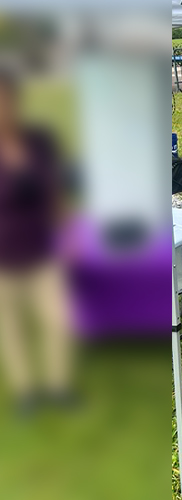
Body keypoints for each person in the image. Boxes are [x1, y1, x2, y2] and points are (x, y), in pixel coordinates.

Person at [0, 68, 74, 417]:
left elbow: (56, 193)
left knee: (57, 320)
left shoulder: (39, 141)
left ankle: (58, 387)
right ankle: (27, 392)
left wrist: (67, 236)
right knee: (11, 327)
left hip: (44, 250)